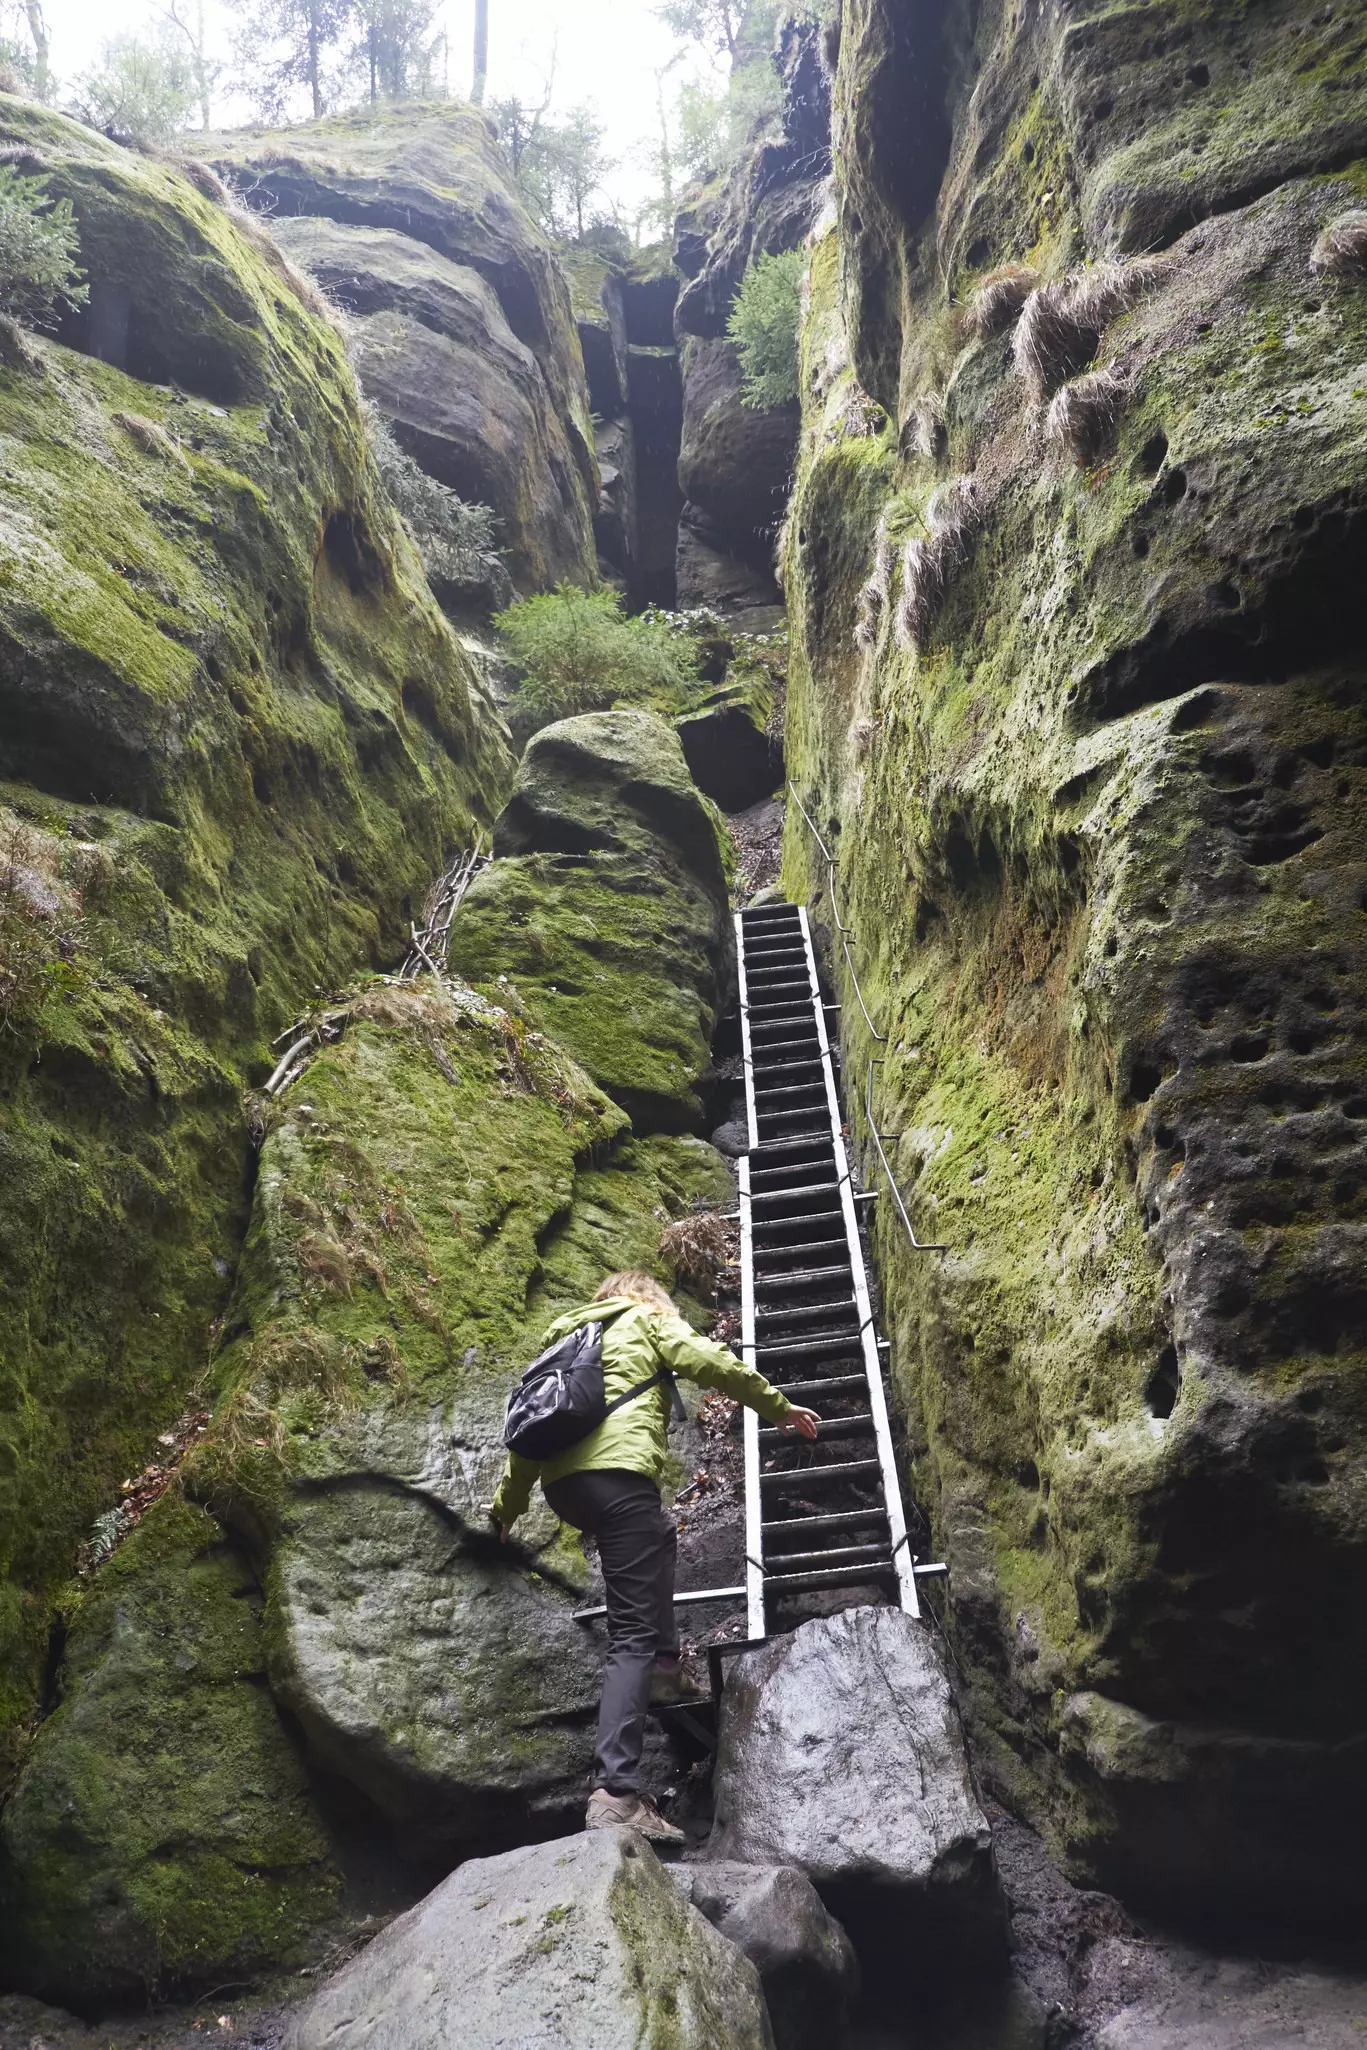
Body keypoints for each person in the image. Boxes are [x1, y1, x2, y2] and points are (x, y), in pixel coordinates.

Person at [486, 1269, 819, 1845]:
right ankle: (617, 1793)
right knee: (630, 1637)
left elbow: (528, 1442)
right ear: (649, 1299)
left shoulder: (565, 1344)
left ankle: (665, 1671)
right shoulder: (645, 1320)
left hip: (569, 1492)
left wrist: (503, 1514)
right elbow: (711, 1362)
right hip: (618, 1483)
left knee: (659, 1535)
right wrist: (777, 1406)